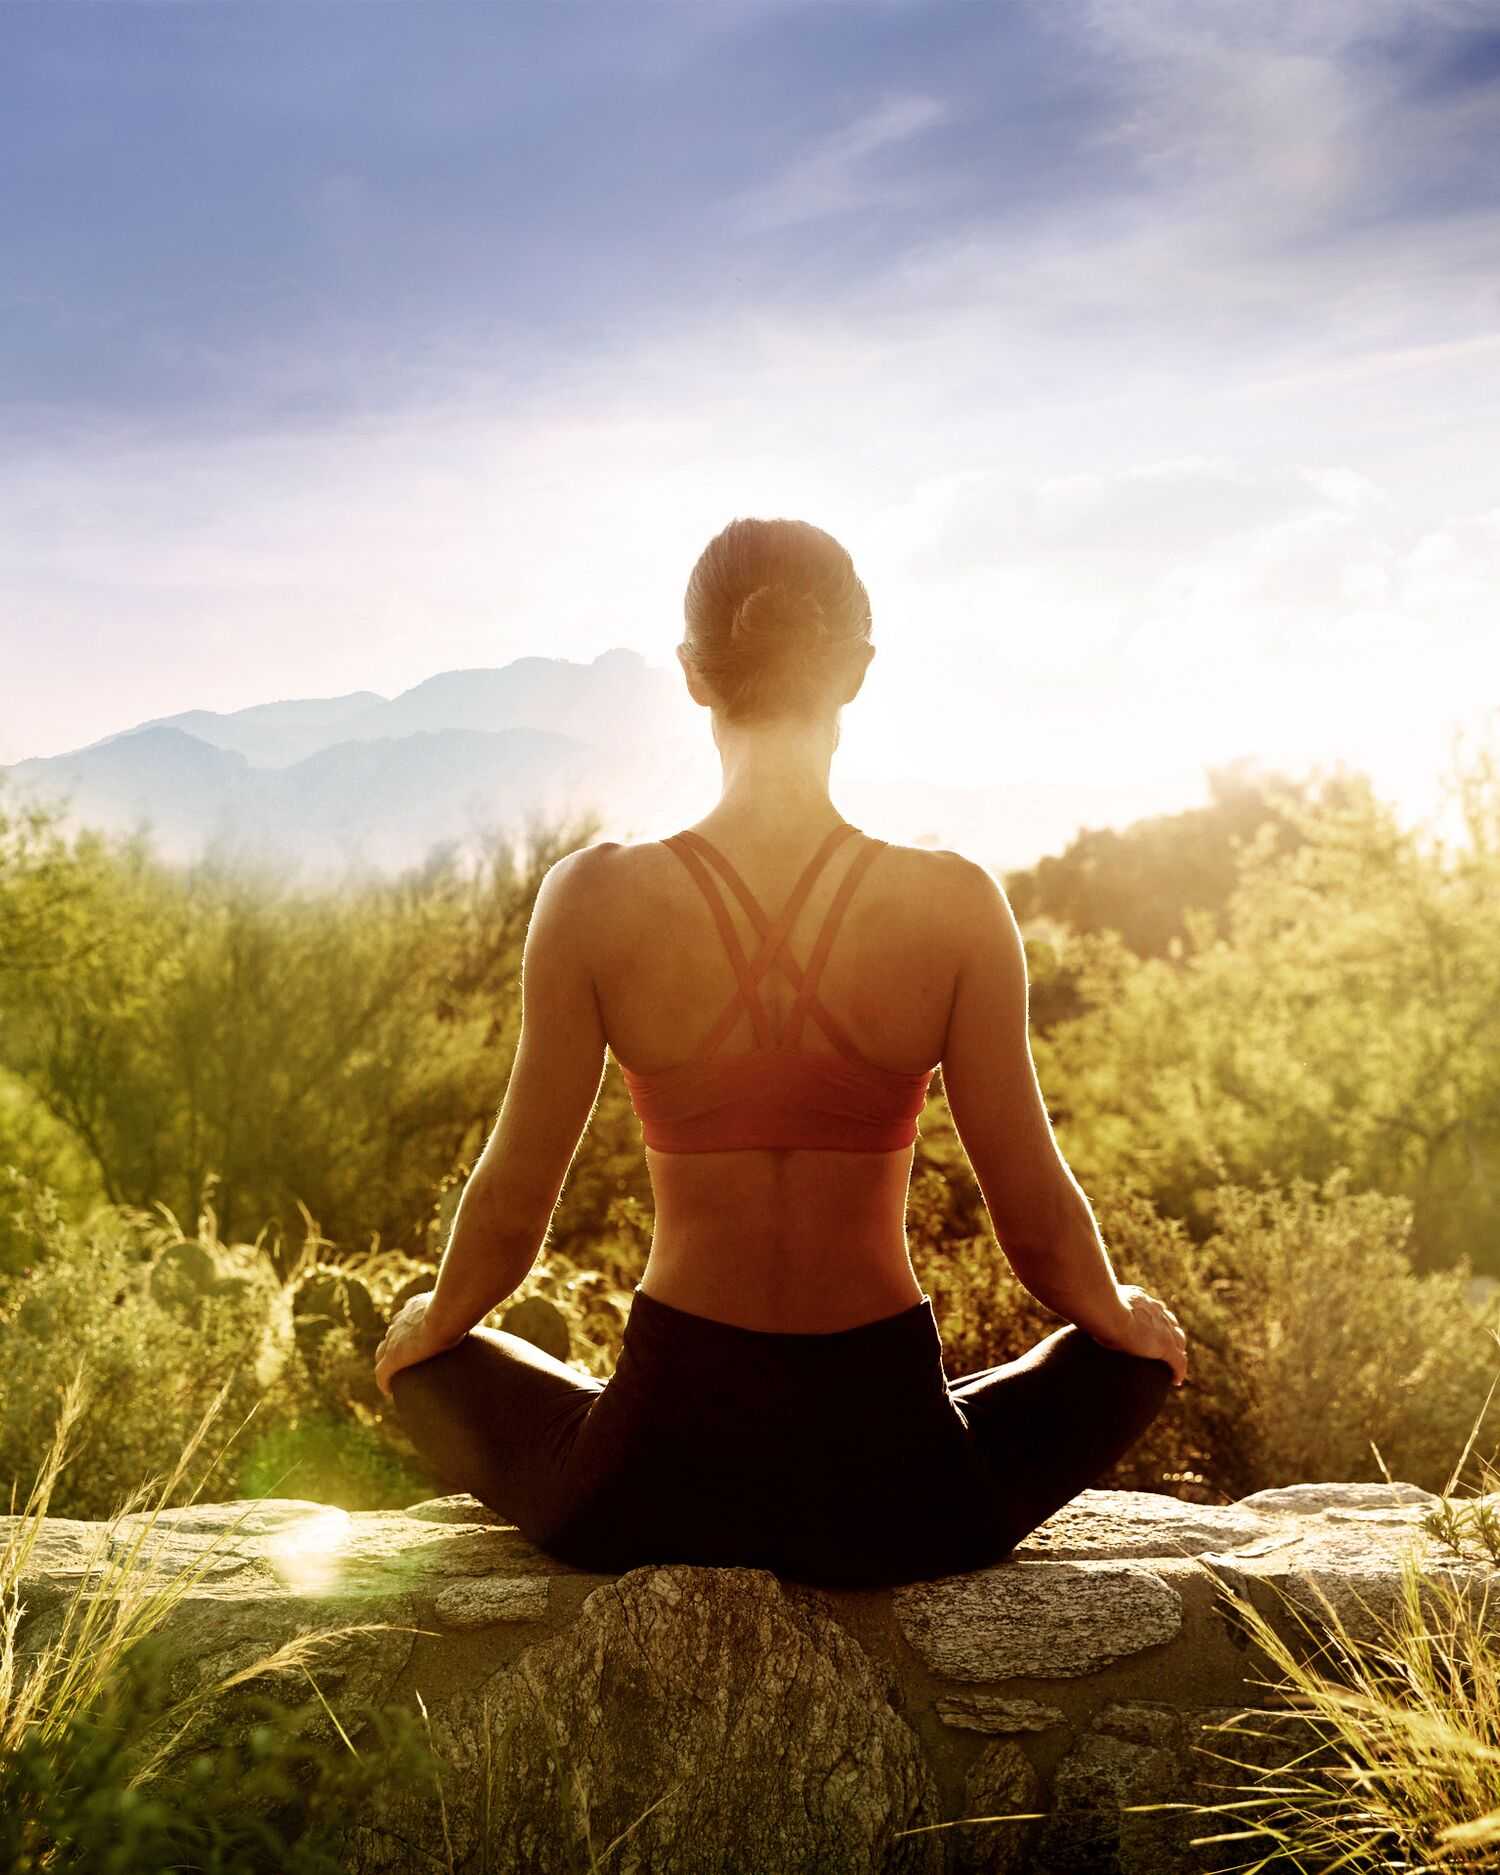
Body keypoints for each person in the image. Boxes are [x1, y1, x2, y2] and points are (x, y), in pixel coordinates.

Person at [376, 516, 1186, 1590]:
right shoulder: (955, 904)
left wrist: (433, 1323)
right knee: (1130, 1359)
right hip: (901, 1491)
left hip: (650, 1479)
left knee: (430, 1366)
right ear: (857, 671)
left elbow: (511, 1210)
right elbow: (1037, 1228)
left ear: (692, 674)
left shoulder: (592, 899)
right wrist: (1123, 1321)